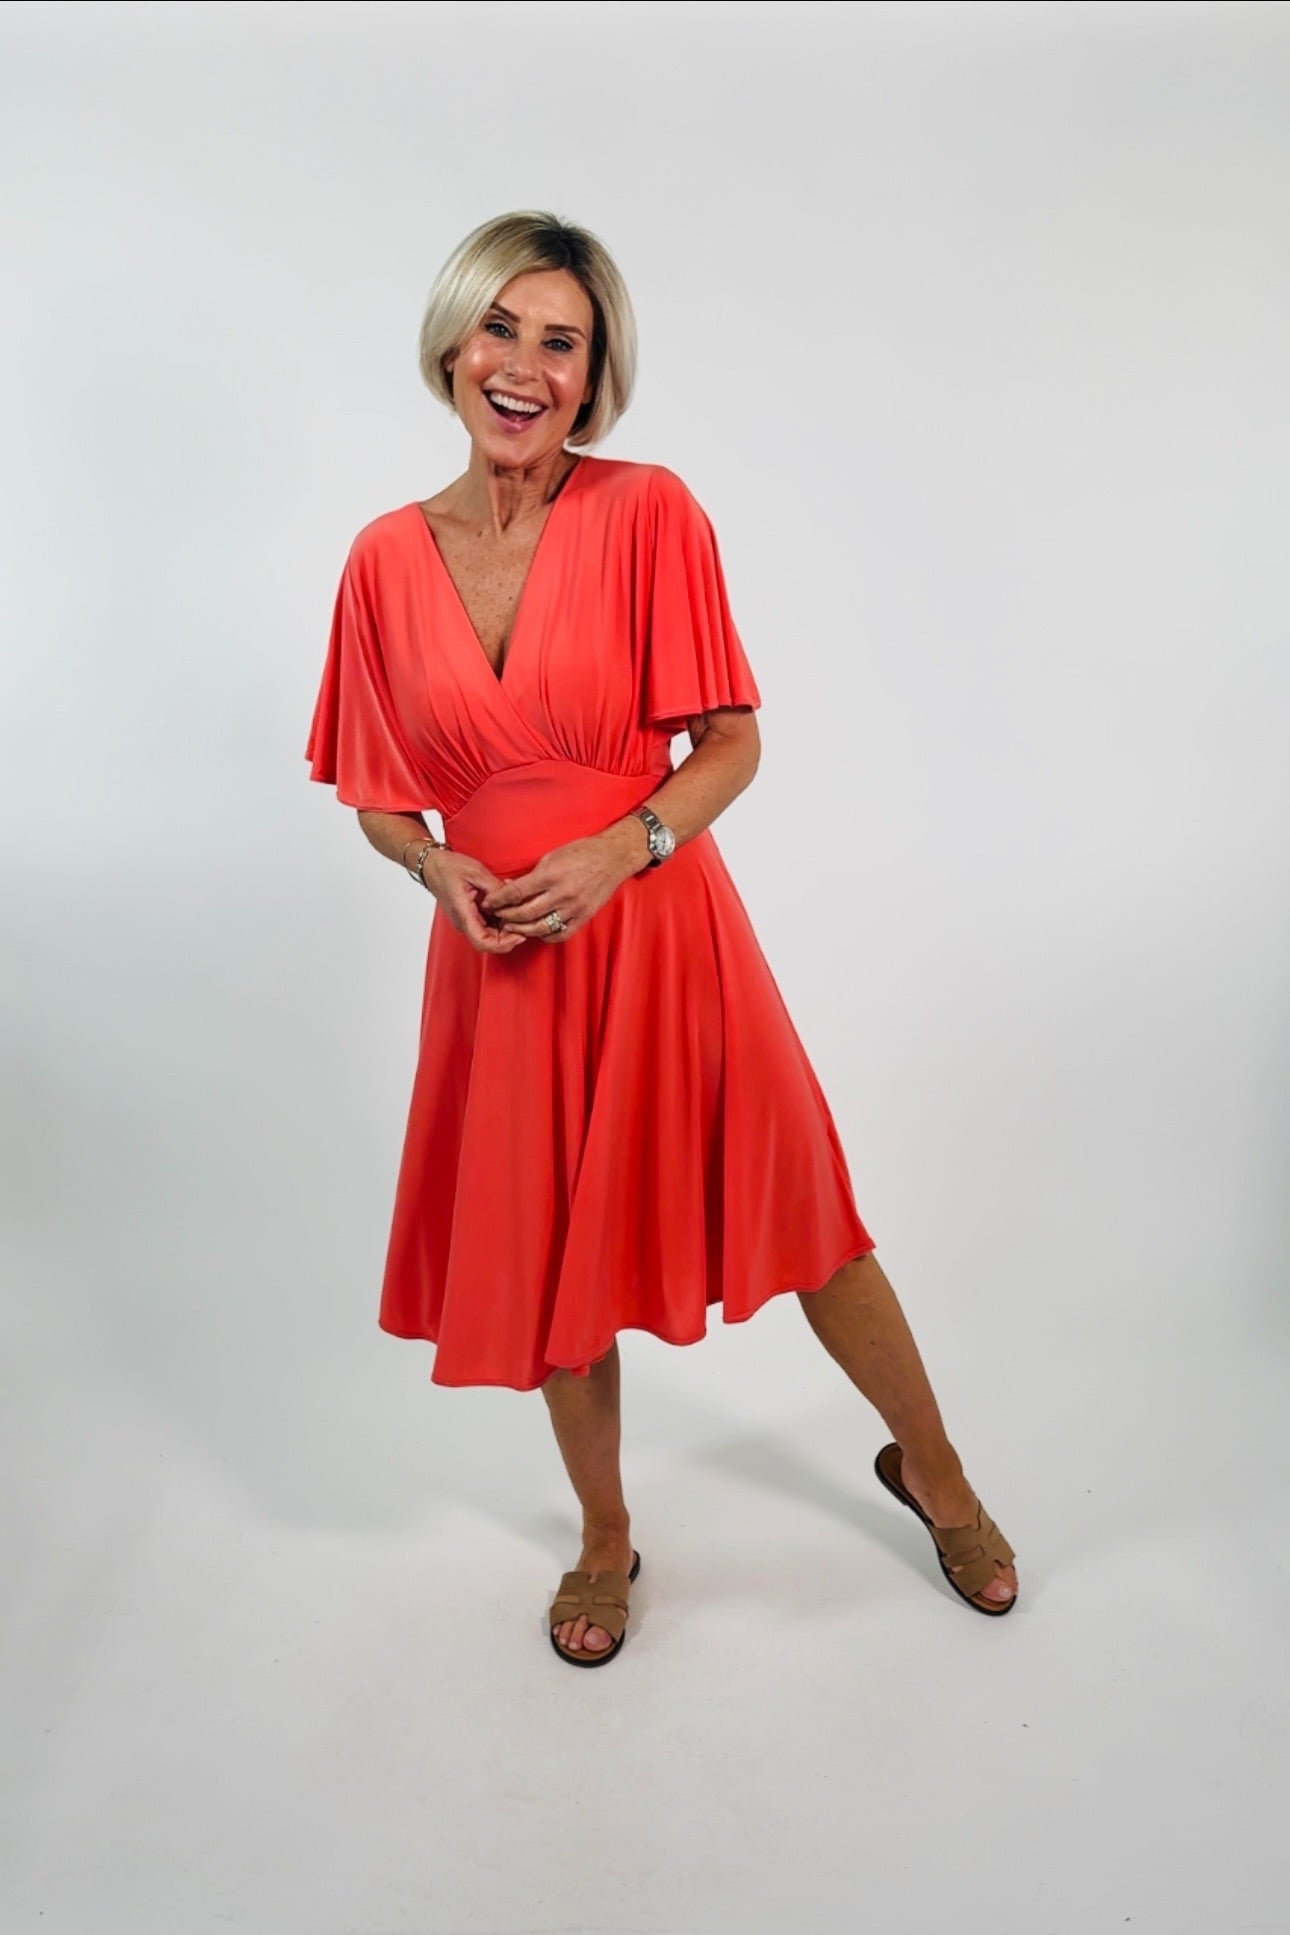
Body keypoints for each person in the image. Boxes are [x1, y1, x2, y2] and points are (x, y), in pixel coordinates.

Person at [304, 210, 1018, 1665]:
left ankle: (936, 1473)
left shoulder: (648, 514)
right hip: (505, 964)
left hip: (662, 928)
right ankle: (606, 1535)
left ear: (594, 376)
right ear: (451, 344)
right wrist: (434, 870)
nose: (523, 365)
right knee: (555, 1256)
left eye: (560, 342)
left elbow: (731, 742)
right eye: (500, 327)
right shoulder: (382, 558)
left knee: (807, 1217)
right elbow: (377, 795)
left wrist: (619, 847)